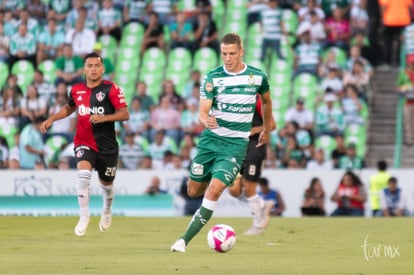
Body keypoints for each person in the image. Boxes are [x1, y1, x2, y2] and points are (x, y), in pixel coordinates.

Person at [170, 33, 273, 253]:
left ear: (241, 52)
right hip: (210, 142)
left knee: (214, 191)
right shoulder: (212, 77)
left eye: (232, 53)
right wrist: (206, 119)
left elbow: (266, 101)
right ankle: (223, 174)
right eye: (224, 53)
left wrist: (266, 127)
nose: (227, 58)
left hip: (235, 146)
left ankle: (183, 241)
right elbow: (202, 111)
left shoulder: (257, 76)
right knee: (193, 190)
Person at [40, 52, 129, 237]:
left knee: (107, 185)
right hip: (83, 141)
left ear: (103, 68)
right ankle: (84, 216)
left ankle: (106, 210)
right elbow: (69, 108)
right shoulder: (76, 89)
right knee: (83, 176)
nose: (93, 69)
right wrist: (52, 119)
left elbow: (124, 114)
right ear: (84, 69)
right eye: (90, 66)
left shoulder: (111, 89)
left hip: (107, 147)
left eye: (97, 66)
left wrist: (104, 118)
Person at [227, 94, 276, 235]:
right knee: (234, 190)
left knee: (249, 187)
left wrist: (255, 130)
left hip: (255, 147)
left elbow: (272, 124)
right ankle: (262, 205)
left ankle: (257, 226)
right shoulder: (233, 103)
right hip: (238, 149)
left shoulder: (258, 101)